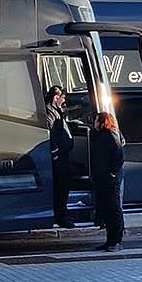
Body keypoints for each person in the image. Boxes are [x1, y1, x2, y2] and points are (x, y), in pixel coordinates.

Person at [90, 110, 126, 251]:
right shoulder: (100, 135)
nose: (94, 123)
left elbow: (119, 156)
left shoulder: (111, 135)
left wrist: (112, 172)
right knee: (107, 210)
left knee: (113, 209)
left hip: (110, 178)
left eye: (97, 120)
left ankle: (116, 241)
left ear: (102, 122)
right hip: (102, 178)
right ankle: (110, 240)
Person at [45, 86, 78, 228]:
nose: (64, 100)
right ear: (55, 97)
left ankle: (62, 212)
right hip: (59, 157)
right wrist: (56, 153)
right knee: (61, 187)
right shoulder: (50, 112)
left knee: (64, 186)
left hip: (62, 155)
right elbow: (51, 134)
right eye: (62, 97)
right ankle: (60, 215)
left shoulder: (56, 110)